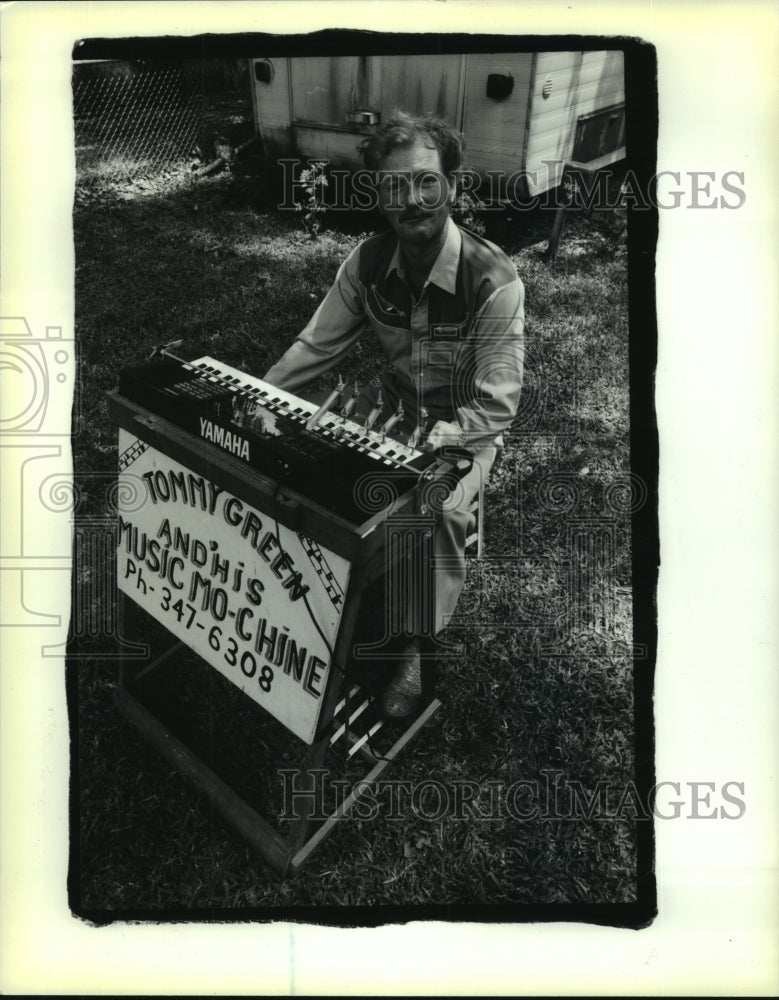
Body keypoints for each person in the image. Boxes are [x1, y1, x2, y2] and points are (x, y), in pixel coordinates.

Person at [264, 110, 524, 719]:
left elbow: (498, 403)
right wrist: (260, 396)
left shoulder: (495, 280)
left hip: (466, 432)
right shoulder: (366, 263)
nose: (413, 199)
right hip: (392, 417)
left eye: (426, 181)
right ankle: (323, 600)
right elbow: (315, 346)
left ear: (452, 186)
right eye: (393, 186)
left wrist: (447, 443)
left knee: (438, 508)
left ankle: (414, 643)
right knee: (314, 473)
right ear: (378, 196)